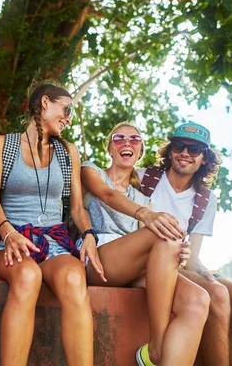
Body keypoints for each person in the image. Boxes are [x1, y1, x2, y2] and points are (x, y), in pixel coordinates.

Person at [0, 82, 104, 366]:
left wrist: (89, 234)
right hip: (8, 240)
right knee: (27, 275)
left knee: (73, 277)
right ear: (45, 102)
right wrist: (8, 234)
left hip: (54, 241)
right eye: (66, 108)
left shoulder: (68, 151)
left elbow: (76, 208)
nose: (68, 118)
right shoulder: (3, 144)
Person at [80, 122, 210, 366]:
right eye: (118, 138)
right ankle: (157, 348)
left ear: (139, 152)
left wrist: (179, 253)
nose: (127, 143)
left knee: (198, 300)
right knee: (162, 229)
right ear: (109, 148)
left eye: (134, 140)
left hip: (132, 268)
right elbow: (108, 195)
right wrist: (147, 216)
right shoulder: (90, 171)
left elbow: (152, 245)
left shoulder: (142, 198)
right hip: (97, 258)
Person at [137, 121, 232, 366]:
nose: (185, 153)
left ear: (204, 158)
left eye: (194, 150)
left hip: (181, 263)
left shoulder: (205, 198)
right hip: (148, 265)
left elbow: (192, 257)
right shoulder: (144, 179)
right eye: (180, 146)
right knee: (216, 293)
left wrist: (205, 272)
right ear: (170, 151)